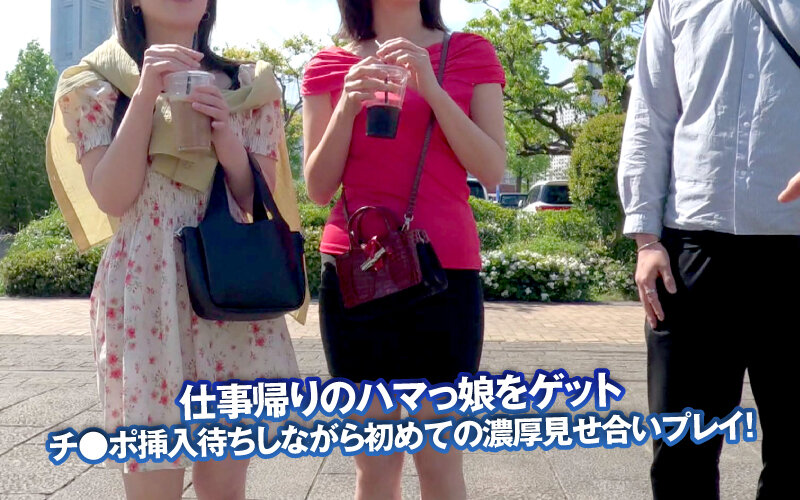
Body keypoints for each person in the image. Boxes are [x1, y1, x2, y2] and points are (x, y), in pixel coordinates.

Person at [45, 1, 308, 498]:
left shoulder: (249, 86)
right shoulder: (97, 84)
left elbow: (255, 200)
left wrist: (226, 136)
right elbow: (114, 196)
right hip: (146, 289)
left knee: (224, 488)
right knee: (152, 477)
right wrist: (145, 94)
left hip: (227, 286)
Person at [301, 0, 505, 498]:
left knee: (439, 460)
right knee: (374, 463)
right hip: (356, 271)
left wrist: (431, 89)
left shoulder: (469, 53)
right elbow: (318, 188)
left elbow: (491, 169)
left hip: (445, 270)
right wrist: (347, 106)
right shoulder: (329, 65)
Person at [618, 0, 800, 498]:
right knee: (681, 450)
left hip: (794, 243)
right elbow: (650, 115)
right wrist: (646, 238)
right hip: (690, 252)